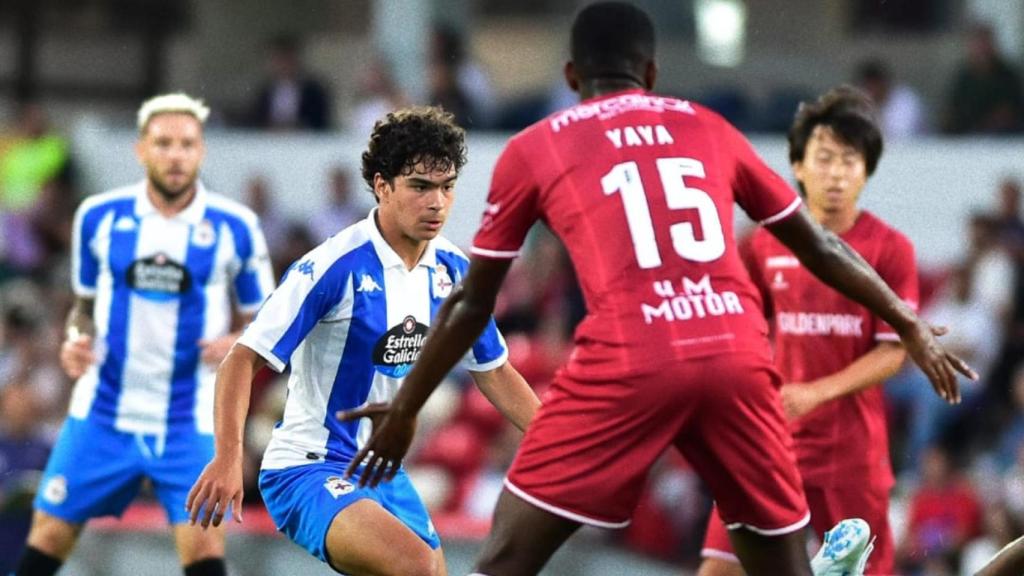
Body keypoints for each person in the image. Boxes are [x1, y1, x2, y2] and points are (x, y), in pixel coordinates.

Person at [344, 4, 974, 576]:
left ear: (570, 76)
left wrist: (404, 412)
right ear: (650, 70)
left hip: (630, 354)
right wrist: (906, 319)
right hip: (736, 354)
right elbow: (819, 243)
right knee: (783, 568)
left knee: (504, 561)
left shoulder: (536, 146)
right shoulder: (710, 126)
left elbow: (471, 301)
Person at [185, 106, 540, 576]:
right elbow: (241, 360)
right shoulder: (334, 266)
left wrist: (559, 443)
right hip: (307, 468)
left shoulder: (454, 271)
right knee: (418, 569)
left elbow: (494, 370)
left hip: (380, 471)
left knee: (431, 572)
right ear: (381, 185)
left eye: (446, 187)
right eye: (420, 186)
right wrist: (228, 457)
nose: (436, 202)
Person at [11, 92, 276, 576]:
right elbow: (83, 308)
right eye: (164, 143)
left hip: (190, 420)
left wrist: (237, 340)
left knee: (202, 550)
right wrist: (75, 339)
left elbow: (269, 319)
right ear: (142, 150)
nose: (175, 154)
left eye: (186, 144)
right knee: (48, 535)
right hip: (104, 413)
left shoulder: (235, 226)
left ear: (201, 152)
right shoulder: (99, 216)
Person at [697, 87, 915, 576]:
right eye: (824, 158)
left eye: (850, 161)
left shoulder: (889, 249)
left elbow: (893, 353)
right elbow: (736, 316)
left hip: (852, 453)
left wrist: (816, 393)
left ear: (866, 171)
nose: (836, 173)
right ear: (797, 166)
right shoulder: (764, 243)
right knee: (719, 569)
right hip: (772, 439)